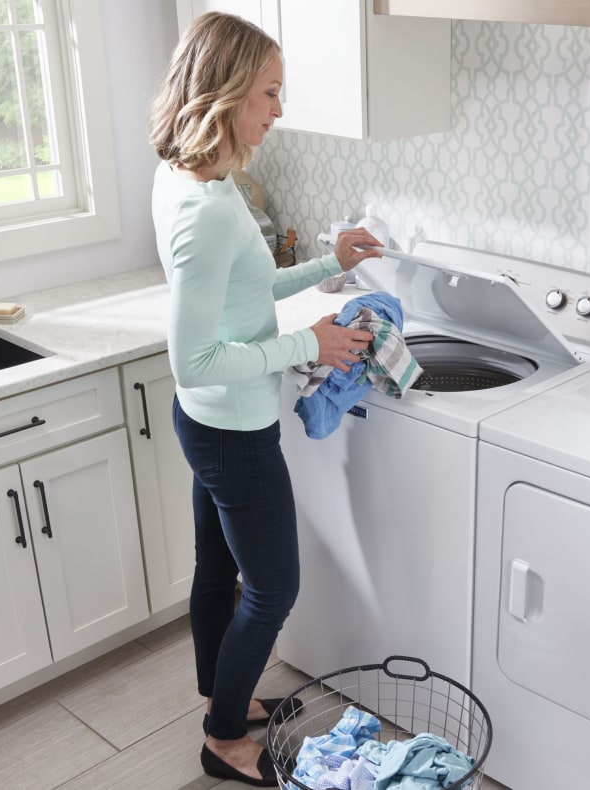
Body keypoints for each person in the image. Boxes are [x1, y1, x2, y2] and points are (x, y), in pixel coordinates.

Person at [147, 12, 383, 787]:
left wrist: (326, 263)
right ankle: (224, 739)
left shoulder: (190, 177)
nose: (279, 111)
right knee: (274, 586)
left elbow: (243, 296)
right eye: (270, 94)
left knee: (218, 574)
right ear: (225, 95)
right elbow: (197, 358)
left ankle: (225, 694)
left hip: (209, 426)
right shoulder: (208, 211)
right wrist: (308, 345)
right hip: (231, 432)